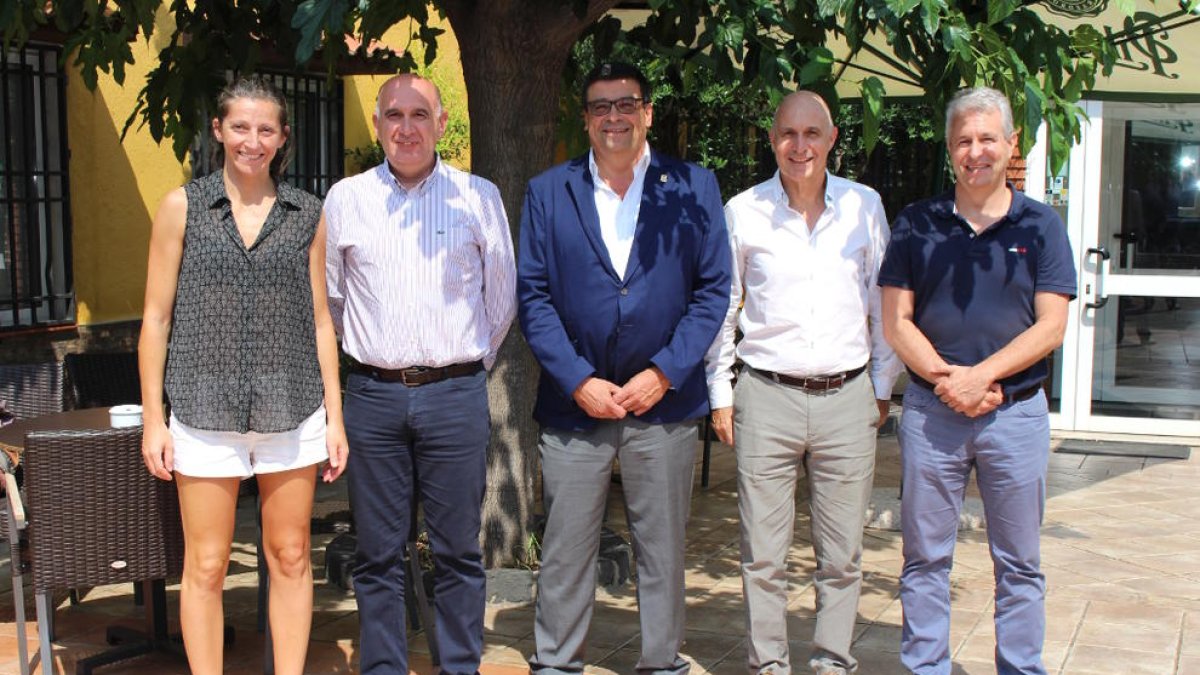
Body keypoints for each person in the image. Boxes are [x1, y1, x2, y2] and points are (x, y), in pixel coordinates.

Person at [519, 61, 731, 675]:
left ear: (648, 113)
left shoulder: (693, 186)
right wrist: (577, 379)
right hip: (575, 405)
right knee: (564, 548)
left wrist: (664, 372)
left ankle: (661, 662)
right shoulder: (547, 192)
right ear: (586, 119)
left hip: (662, 403)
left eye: (626, 104)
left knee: (661, 548)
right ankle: (557, 662)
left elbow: (713, 290)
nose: (615, 117)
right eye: (601, 107)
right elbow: (532, 295)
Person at [139, 75, 348, 675]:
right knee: (205, 564)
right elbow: (154, 320)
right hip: (203, 411)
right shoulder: (182, 207)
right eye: (240, 127)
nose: (251, 141)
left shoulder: (307, 213)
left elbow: (319, 322)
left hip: (292, 408)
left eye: (265, 130)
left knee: (290, 554)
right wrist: (155, 419)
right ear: (218, 131)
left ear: (282, 138)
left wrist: (336, 418)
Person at [878, 87, 1076, 675]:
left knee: (1019, 563)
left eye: (988, 138)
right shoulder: (917, 223)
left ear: (1012, 144)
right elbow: (896, 321)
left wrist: (982, 377)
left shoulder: (1041, 225)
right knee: (924, 559)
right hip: (932, 415)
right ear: (949, 150)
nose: (976, 151)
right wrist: (949, 382)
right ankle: (927, 667)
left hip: (1014, 415)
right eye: (963, 140)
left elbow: (1052, 326)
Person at [323, 73, 516, 675]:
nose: (406, 128)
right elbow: (331, 302)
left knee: (458, 550)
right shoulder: (346, 199)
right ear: (378, 124)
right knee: (377, 554)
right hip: (373, 398)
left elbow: (502, 298)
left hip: (455, 395)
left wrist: (465, 365)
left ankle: (459, 666)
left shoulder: (479, 196)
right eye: (393, 115)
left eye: (419, 115)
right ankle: (382, 667)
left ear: (441, 124)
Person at [705, 91, 902, 675]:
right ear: (772, 140)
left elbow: (882, 305)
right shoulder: (742, 211)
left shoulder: (866, 207)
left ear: (832, 138)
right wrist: (722, 393)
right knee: (762, 557)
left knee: (841, 554)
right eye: (788, 134)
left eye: (811, 133)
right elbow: (725, 308)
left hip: (847, 396)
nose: (800, 146)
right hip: (766, 396)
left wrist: (882, 385)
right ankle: (768, 665)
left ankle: (831, 661)